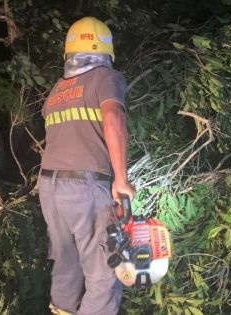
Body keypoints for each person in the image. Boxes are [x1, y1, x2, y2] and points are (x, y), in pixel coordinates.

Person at [38, 16, 136, 315]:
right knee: (105, 275)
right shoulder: (106, 78)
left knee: (67, 263)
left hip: (49, 187)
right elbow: (113, 119)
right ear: (106, 51)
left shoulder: (57, 90)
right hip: (84, 188)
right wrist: (120, 178)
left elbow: (56, 136)